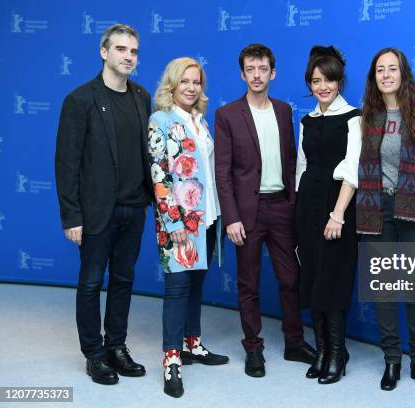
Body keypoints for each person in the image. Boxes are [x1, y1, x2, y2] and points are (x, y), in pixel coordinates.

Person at [55, 24, 151, 385]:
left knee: (124, 281)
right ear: (104, 52)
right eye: (122, 49)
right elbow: (66, 164)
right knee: (91, 283)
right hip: (96, 212)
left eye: (134, 51)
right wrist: (71, 216)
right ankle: (94, 355)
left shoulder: (142, 97)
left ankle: (117, 347)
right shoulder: (80, 100)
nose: (129, 56)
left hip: (134, 208)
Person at [214, 43, 315, 378]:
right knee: (249, 283)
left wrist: (292, 204)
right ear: (243, 74)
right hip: (246, 212)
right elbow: (223, 172)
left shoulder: (285, 111)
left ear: (273, 73)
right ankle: (253, 349)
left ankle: (295, 343)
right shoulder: (227, 115)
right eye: (250, 70)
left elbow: (291, 162)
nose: (256, 75)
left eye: (262, 69)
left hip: (281, 207)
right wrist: (231, 217)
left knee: (290, 278)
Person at [357, 47, 415, 391]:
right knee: (383, 291)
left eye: (392, 69)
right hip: (375, 211)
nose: (387, 75)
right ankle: (392, 361)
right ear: (374, 77)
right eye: (380, 70)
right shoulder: (366, 115)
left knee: (414, 289)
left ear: (403, 72)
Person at [148, 57, 229, 398]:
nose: (192, 88)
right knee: (178, 288)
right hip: (179, 223)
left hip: (207, 218)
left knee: (197, 283)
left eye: (196, 82)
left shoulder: (200, 121)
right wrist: (173, 221)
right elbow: (160, 174)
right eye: (185, 82)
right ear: (172, 85)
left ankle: (192, 344)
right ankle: (171, 360)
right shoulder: (160, 120)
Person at [295, 46, 361, 385]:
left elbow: (353, 170)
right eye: (316, 81)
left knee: (332, 280)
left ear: (339, 81)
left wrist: (337, 215)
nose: (323, 87)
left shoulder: (354, 118)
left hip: (337, 207)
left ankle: (338, 352)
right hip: (307, 203)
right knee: (313, 277)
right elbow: (301, 167)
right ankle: (322, 350)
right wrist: (297, 214)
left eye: (329, 80)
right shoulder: (306, 121)